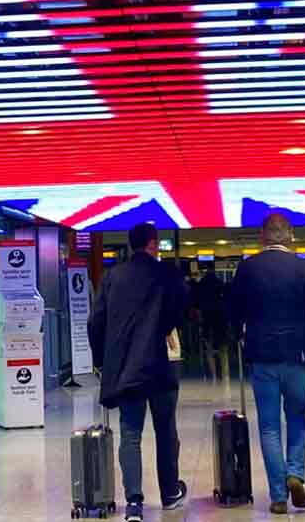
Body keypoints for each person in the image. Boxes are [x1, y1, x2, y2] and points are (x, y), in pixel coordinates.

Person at [229, 214, 305, 515]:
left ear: (262, 236)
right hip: (295, 356)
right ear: (290, 235)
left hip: (261, 356)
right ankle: (295, 473)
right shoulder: (303, 269)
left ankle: (278, 495)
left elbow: (233, 311)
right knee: (298, 417)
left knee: (269, 426)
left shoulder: (247, 268)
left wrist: (237, 335)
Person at [89, 222, 189, 522]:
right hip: (161, 363)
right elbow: (180, 309)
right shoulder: (166, 273)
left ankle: (134, 502)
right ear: (153, 244)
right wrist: (164, 327)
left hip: (127, 366)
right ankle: (169, 493)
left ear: (131, 245)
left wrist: (101, 359)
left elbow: (95, 321)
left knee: (130, 433)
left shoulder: (113, 276)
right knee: (165, 429)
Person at [194, 266, 229, 381]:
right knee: (221, 345)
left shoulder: (201, 285)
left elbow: (196, 302)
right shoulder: (219, 283)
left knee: (208, 344)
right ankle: (223, 372)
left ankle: (213, 372)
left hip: (206, 316)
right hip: (220, 316)